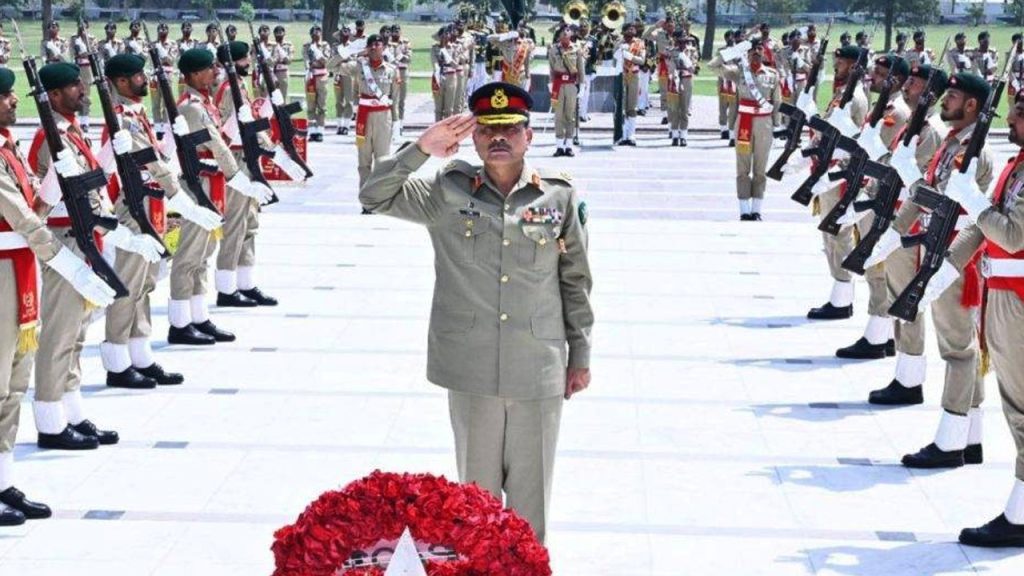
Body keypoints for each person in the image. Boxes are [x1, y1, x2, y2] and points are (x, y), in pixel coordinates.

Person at [359, 81, 593, 544]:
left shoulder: (558, 197)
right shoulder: (446, 191)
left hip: (536, 365)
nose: (498, 138)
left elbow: (575, 279)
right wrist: (422, 149)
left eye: (509, 128)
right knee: (474, 506)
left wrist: (580, 356)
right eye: (486, 129)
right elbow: (373, 195)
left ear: (529, 135)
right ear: (472, 137)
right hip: (471, 367)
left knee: (531, 507)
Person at [27, 62, 162, 446]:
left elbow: (91, 184)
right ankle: (51, 420)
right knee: (59, 333)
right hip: (65, 241)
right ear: (53, 96)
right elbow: (41, 204)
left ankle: (70, 412)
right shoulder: (47, 138)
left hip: (87, 235)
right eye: (73, 86)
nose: (82, 90)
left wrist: (106, 156)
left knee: (77, 334)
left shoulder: (72, 133)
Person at [876, 72, 996, 468]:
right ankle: (970, 438)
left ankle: (950, 442)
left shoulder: (975, 151)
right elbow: (927, 192)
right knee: (959, 346)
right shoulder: (952, 142)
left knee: (958, 351)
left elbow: (966, 209)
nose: (944, 100)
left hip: (955, 258)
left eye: (953, 96)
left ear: (973, 106)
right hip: (936, 247)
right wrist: (893, 233)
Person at [0, 66, 97, 526]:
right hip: (5, 267)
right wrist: (61, 257)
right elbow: (18, 215)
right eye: (4, 96)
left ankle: (2, 480)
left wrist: (54, 188)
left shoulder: (10, 149)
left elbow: (32, 206)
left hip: (18, 269)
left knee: (13, 384)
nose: (12, 101)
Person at [100, 53, 222, 388]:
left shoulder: (135, 114)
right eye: (138, 76)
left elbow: (158, 158)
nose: (145, 80)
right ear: (122, 82)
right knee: (128, 287)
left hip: (148, 204)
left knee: (144, 285)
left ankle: (140, 356)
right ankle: (118, 362)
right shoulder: (121, 119)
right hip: (132, 206)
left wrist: (173, 139)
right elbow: (152, 166)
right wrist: (186, 204)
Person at [941, 89, 1024, 548]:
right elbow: (981, 226)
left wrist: (974, 200)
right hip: (1004, 294)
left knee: (1022, 407)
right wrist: (946, 267)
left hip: (1018, 297)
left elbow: (1012, 235)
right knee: (1016, 406)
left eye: (1016, 115)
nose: (1009, 121)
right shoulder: (1018, 165)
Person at [169, 48, 269, 345]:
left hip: (210, 183)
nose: (216, 72)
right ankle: (180, 323)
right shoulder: (192, 107)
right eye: (210, 68)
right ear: (195, 74)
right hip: (198, 183)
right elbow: (218, 145)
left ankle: (198, 317)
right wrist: (239, 179)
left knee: (202, 255)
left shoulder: (204, 103)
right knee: (188, 257)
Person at [864, 63, 949, 406]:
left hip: (913, 226)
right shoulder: (914, 127)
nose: (907, 86)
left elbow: (928, 189)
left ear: (931, 92)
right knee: (898, 298)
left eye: (914, 82)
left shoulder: (931, 132)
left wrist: (902, 167)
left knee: (906, 301)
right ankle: (903, 371)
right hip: (898, 216)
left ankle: (910, 380)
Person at [833, 53, 911, 360]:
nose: (873, 78)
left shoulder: (898, 112)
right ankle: (883, 333)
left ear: (897, 80)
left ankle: (878, 337)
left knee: (877, 268)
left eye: (880, 74)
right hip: (869, 190)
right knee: (873, 268)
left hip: (879, 197)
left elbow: (880, 152)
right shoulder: (885, 107)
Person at [213, 41, 278, 308]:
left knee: (250, 223)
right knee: (236, 224)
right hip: (236, 158)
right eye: (244, 60)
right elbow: (223, 130)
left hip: (248, 156)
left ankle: (245, 282)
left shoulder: (239, 86)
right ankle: (227, 289)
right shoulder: (228, 89)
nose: (248, 63)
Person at [708, 38, 780, 220]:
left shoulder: (772, 74)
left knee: (760, 168)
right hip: (744, 122)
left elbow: (777, 101)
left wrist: (776, 125)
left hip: (764, 123)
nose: (756, 52)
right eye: (751, 50)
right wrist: (732, 51)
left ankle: (757, 209)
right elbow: (712, 66)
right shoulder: (739, 72)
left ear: (764, 52)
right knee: (742, 167)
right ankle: (744, 209)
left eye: (759, 49)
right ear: (747, 53)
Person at [342, 34, 398, 185]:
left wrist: (396, 123)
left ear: (384, 48)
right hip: (364, 117)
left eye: (377, 44)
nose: (373, 47)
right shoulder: (359, 66)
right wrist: (346, 51)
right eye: (370, 45)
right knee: (364, 161)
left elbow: (395, 99)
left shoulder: (391, 70)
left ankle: (379, 199)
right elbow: (331, 66)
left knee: (383, 161)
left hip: (383, 117)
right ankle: (366, 201)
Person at [548, 25, 584, 157]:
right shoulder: (553, 49)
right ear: (559, 35)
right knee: (558, 116)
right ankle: (559, 146)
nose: (565, 33)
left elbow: (580, 69)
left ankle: (569, 146)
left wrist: (582, 85)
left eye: (567, 31)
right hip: (558, 84)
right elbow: (551, 68)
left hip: (571, 84)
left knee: (570, 115)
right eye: (563, 32)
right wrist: (550, 84)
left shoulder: (576, 49)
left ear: (571, 34)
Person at [616, 22, 646, 146]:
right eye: (629, 29)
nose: (631, 31)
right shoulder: (619, 42)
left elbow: (642, 60)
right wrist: (619, 51)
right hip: (620, 75)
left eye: (633, 29)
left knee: (632, 106)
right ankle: (622, 134)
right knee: (621, 106)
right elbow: (612, 56)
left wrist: (630, 56)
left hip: (633, 75)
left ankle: (631, 134)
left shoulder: (639, 43)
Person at [303, 25, 329, 141]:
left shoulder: (325, 46)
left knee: (321, 105)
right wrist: (316, 63)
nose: (316, 34)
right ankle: (312, 131)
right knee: (311, 105)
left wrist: (318, 55)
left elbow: (326, 62)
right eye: (314, 32)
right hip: (311, 77)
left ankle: (320, 131)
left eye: (318, 31)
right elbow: (307, 62)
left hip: (322, 77)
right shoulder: (306, 47)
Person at [69, 20, 95, 130]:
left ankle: (85, 121)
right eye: (80, 25)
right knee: (74, 95)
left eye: (84, 25)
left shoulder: (91, 39)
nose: (82, 27)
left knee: (86, 96)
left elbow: (93, 53)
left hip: (87, 69)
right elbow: (71, 53)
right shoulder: (74, 39)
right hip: (77, 68)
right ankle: (74, 121)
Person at [717, 30, 737, 142]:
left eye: (732, 37)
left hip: (734, 80)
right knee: (723, 106)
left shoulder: (738, 50)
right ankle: (723, 128)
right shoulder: (720, 51)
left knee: (734, 107)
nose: (730, 39)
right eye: (728, 37)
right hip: (724, 80)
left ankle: (732, 131)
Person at [272, 25, 293, 100]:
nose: (279, 34)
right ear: (274, 34)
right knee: (272, 95)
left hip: (283, 72)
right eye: (277, 32)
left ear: (284, 33)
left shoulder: (288, 45)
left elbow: (289, 60)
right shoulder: (271, 45)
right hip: (272, 72)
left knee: (283, 95)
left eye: (281, 32)